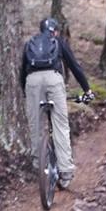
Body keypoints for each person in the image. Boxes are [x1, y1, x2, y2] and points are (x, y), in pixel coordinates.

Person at [20, 17, 93, 188]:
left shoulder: (29, 44)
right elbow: (74, 66)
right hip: (53, 80)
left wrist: (26, 92)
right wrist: (87, 90)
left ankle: (39, 164)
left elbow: (22, 72)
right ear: (55, 31)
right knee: (60, 124)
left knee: (35, 124)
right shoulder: (58, 42)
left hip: (32, 83)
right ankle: (66, 172)